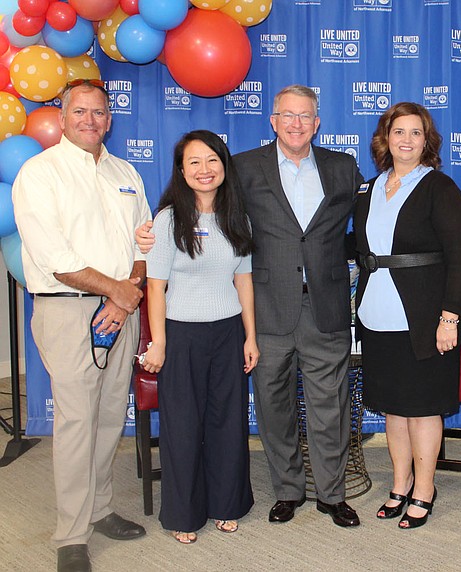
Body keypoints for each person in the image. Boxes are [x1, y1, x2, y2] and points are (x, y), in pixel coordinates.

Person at [137, 85, 365, 527]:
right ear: (273, 120)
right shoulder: (241, 167)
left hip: (325, 307)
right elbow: (202, 210)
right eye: (288, 115)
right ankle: (287, 491)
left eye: (306, 116)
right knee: (273, 404)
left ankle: (332, 495)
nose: (297, 124)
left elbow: (365, 225)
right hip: (265, 309)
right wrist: (151, 231)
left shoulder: (344, 168)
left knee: (329, 408)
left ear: (317, 123)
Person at [12, 79, 149, 572]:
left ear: (110, 118)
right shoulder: (39, 173)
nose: (90, 120)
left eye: (99, 112)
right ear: (63, 116)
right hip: (70, 310)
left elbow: (143, 243)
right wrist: (116, 291)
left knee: (111, 415)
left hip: (122, 311)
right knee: (75, 422)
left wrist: (128, 292)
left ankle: (100, 508)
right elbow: (54, 258)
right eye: (80, 112)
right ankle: (71, 535)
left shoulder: (124, 171)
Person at [353, 102, 461, 529]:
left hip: (424, 319)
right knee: (394, 408)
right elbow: (359, 247)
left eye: (415, 133)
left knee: (422, 408)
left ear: (428, 141)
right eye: (398, 131)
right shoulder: (368, 189)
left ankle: (425, 488)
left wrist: (450, 318)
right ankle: (400, 483)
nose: (406, 140)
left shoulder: (441, 188)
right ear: (385, 138)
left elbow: (460, 258)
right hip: (375, 315)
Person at [140, 130, 257, 544]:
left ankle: (228, 504)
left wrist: (250, 337)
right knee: (183, 426)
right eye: (194, 162)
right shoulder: (169, 219)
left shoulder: (236, 217)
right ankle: (183, 514)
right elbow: (155, 287)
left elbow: (243, 280)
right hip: (182, 335)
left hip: (228, 333)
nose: (204, 170)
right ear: (181, 170)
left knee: (228, 423)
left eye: (212, 160)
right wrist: (160, 342)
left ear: (224, 166)